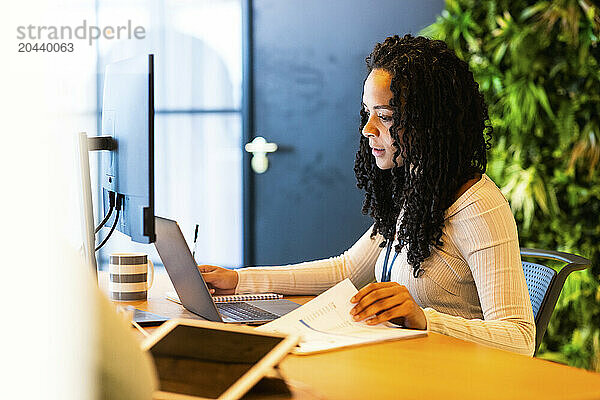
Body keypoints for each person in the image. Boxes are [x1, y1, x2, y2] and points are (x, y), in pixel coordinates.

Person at [200, 35, 536, 356]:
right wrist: (239, 281)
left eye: (386, 117)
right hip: (406, 367)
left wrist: (423, 320)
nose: (368, 129)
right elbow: (345, 269)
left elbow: (520, 337)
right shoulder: (418, 191)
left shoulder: (478, 206)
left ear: (430, 122)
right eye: (368, 112)